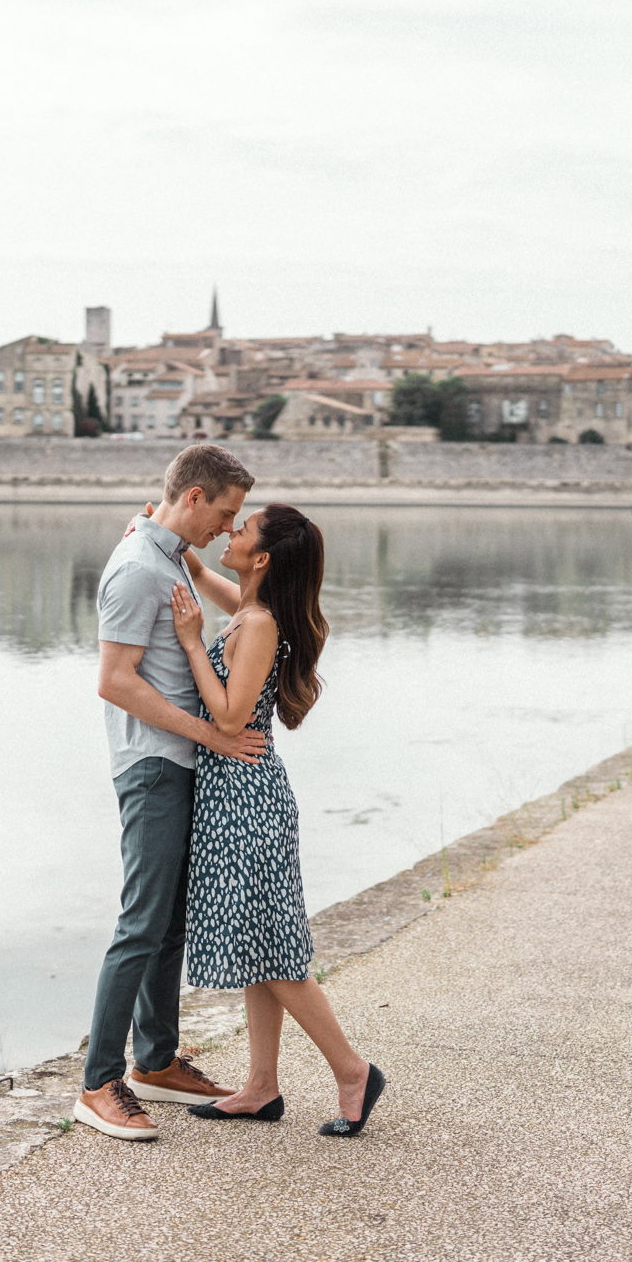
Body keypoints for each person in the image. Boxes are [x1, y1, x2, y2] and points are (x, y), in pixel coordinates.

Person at [169, 503, 385, 1137]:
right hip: (241, 794)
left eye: (241, 530)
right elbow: (217, 587)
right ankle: (261, 1086)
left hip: (244, 799)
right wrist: (175, 546)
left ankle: (352, 1071)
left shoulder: (257, 624)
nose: (230, 534)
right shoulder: (254, 609)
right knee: (263, 949)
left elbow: (230, 720)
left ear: (261, 559)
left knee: (277, 955)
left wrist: (188, 643)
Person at [76, 445, 262, 1142]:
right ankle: (98, 1081)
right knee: (141, 922)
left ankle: (155, 1059)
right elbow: (115, 679)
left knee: (168, 922)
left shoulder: (166, 558)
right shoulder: (134, 567)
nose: (228, 524)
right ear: (193, 499)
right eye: (226, 510)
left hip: (179, 759)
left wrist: (188, 558)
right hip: (153, 764)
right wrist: (213, 737)